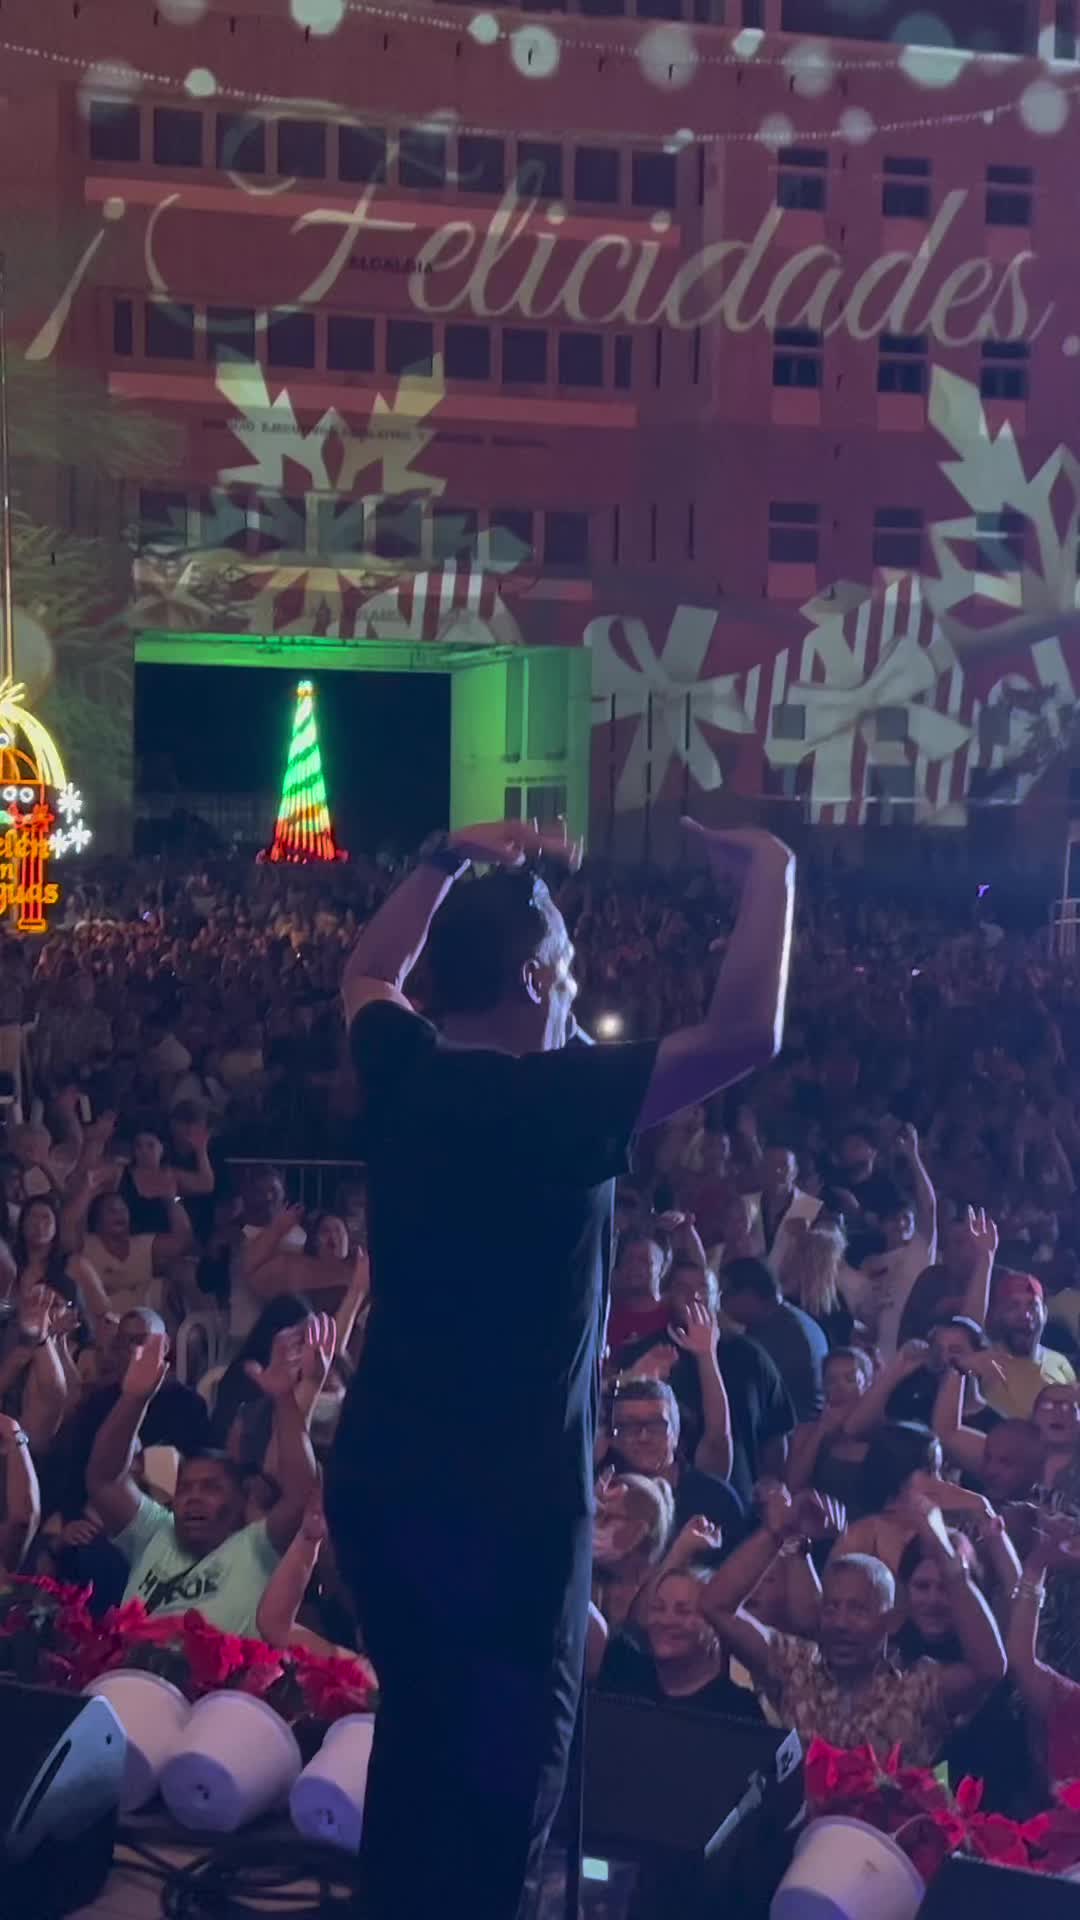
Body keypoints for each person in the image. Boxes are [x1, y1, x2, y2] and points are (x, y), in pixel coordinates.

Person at [325, 814, 795, 1920]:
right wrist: (774, 872)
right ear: (537, 975)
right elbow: (747, 1032)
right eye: (569, 963)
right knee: (500, 1800)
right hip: (507, 1515)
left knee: (417, 1746)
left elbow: (367, 971)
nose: (579, 983)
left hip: (384, 1484)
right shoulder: (558, 1101)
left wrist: (443, 856)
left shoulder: (405, 1065)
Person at [704, 1500, 1007, 1765]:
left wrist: (951, 1567)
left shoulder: (918, 1687)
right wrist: (776, 1533)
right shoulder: (795, 1665)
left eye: (858, 1610)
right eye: (831, 1608)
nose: (841, 1622)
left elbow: (990, 1669)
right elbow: (715, 1606)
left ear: (890, 1621)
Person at [86, 1321, 321, 1636]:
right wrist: (133, 1399)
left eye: (211, 1487)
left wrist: (285, 1400)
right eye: (184, 1488)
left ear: (241, 1500)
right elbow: (104, 1481)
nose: (193, 1496)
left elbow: (301, 1495)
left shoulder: (258, 1546)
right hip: (133, 1664)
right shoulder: (157, 1533)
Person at [604, 1377, 743, 1543]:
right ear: (614, 1437)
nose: (643, 1437)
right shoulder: (601, 1498)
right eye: (630, 1426)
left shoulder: (716, 1499)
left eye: (656, 1425)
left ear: (676, 1434)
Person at [719, 1256, 828, 1423]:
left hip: (794, 1428)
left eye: (727, 1293)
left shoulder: (782, 1335)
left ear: (749, 1295)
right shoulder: (782, 1319)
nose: (721, 1301)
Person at [984, 1271, 1076, 1420]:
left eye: (1032, 1305)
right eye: (1013, 1306)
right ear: (998, 1314)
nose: (1025, 1315)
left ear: (1044, 1313)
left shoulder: (1060, 1362)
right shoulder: (984, 1361)